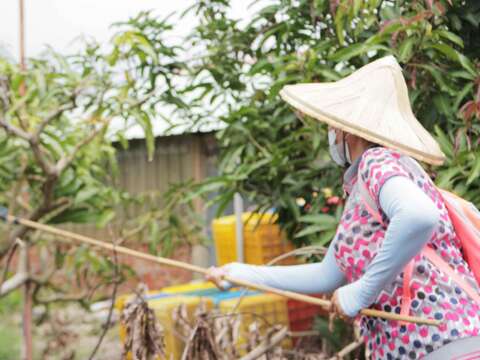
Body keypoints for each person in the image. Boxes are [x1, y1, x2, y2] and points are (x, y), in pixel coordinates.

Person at [205, 56, 480, 359]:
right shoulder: (368, 188)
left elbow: (419, 217)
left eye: (332, 126)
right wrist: (241, 274)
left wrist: (363, 291)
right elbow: (327, 275)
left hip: (444, 344)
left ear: (348, 130)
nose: (331, 134)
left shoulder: (379, 162)